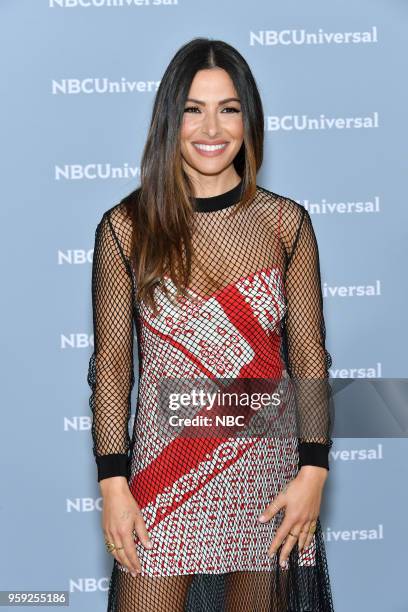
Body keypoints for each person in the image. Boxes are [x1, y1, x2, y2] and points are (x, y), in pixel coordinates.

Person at [87, 37, 335, 612]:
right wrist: (112, 482)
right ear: (170, 121)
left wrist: (314, 471)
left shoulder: (284, 223)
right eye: (194, 109)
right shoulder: (126, 228)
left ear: (249, 120)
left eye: (229, 108)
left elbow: (308, 358)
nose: (212, 127)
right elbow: (113, 366)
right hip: (162, 477)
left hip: (265, 479)